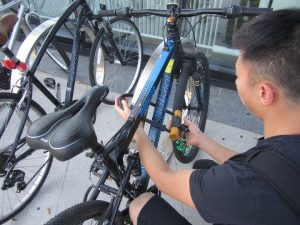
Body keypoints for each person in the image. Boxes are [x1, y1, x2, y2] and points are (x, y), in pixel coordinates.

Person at [114, 9, 300, 225]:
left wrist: (137, 132)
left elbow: (165, 179)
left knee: (141, 204)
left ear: (264, 93)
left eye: (238, 76)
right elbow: (266, 167)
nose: (236, 82)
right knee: (203, 167)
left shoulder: (244, 186)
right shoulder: (286, 145)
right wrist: (202, 140)